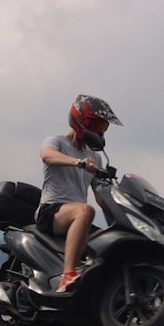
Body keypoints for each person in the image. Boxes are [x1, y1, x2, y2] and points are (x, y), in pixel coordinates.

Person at [35, 94, 123, 291]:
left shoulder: (95, 157)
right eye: (98, 126)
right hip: (51, 211)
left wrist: (117, 222)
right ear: (82, 122)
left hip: (77, 217)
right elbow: (47, 156)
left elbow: (100, 197)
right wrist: (79, 163)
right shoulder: (57, 141)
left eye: (103, 128)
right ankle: (68, 275)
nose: (101, 132)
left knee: (114, 243)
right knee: (85, 210)